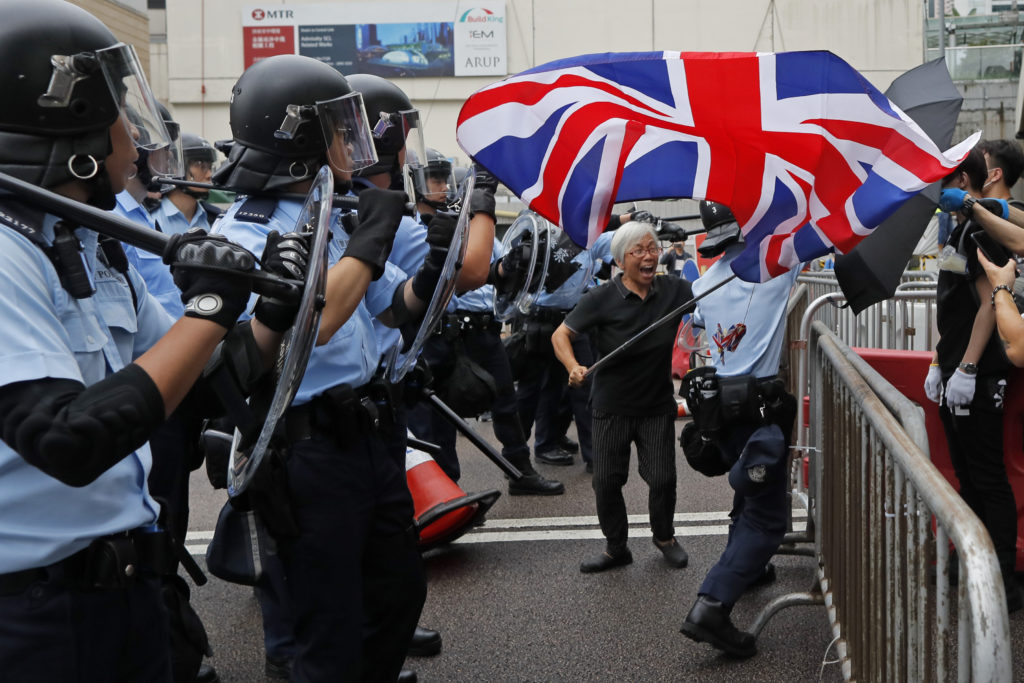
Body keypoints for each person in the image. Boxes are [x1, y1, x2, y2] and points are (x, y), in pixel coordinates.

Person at [0, 2, 303, 681]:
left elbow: (201, 383)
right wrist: (209, 307)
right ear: (70, 127)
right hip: (37, 615)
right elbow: (66, 441)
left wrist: (267, 318)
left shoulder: (84, 247)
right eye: (119, 115)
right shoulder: (5, 255)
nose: (136, 142)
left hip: (127, 588)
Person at [213, 55, 471, 682]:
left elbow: (391, 310)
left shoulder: (334, 214)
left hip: (369, 437)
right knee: (325, 627)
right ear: (300, 139)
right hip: (309, 451)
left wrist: (435, 267)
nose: (351, 145)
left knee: (396, 595)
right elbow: (310, 325)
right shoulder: (248, 231)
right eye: (337, 129)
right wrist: (364, 247)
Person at [678, 201, 799, 659]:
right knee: (767, 519)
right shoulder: (777, 272)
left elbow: (708, 334)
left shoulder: (703, 283)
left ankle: (744, 569)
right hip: (761, 409)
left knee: (747, 496)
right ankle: (713, 604)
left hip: (719, 407)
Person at [551, 221, 693, 572]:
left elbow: (713, 297)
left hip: (656, 404)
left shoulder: (674, 290)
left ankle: (664, 537)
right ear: (620, 259)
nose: (649, 257)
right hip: (610, 406)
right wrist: (572, 366)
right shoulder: (600, 298)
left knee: (662, 478)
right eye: (639, 251)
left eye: (653, 249)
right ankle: (616, 547)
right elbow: (560, 335)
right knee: (607, 481)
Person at [927, 148, 1022, 612]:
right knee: (967, 475)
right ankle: (972, 560)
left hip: (978, 374)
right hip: (954, 368)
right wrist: (937, 361)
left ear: (963, 180)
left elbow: (990, 302)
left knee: (986, 476)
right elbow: (955, 304)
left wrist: (965, 367)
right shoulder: (961, 228)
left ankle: (1003, 577)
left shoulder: (984, 227)